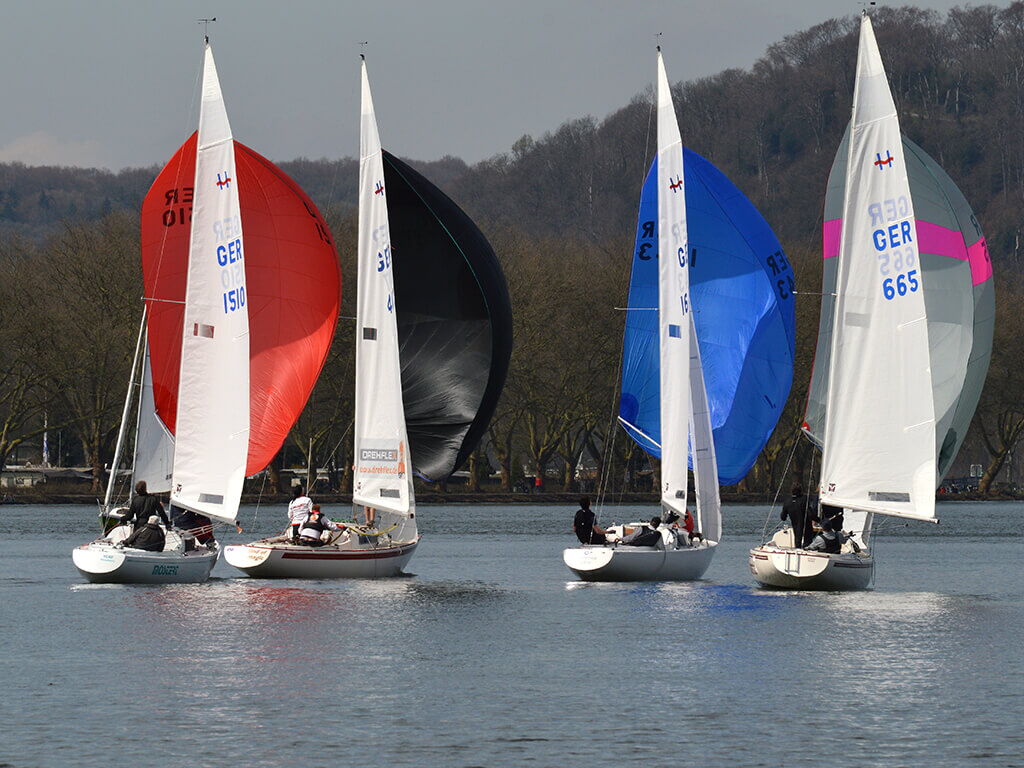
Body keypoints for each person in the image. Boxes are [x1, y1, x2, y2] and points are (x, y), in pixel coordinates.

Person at [780, 483, 810, 549]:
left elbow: (783, 517)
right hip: (806, 526)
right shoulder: (805, 499)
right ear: (801, 491)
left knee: (797, 541)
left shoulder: (787, 501)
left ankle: (798, 550)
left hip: (796, 526)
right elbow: (810, 513)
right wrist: (819, 520)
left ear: (791, 491)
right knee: (807, 543)